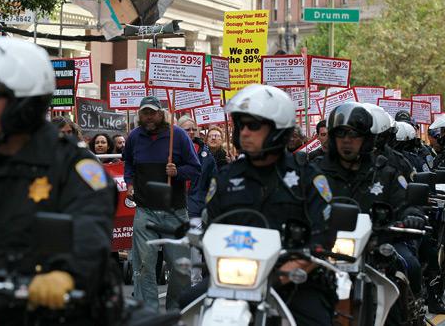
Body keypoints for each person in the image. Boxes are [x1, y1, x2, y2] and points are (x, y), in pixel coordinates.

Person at [0, 37, 116, 325]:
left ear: (24, 103)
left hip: (55, 317)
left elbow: (89, 231)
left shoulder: (74, 169)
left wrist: (65, 274)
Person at [205, 84, 336, 325]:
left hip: (291, 280)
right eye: (240, 125)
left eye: (253, 125)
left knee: (316, 318)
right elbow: (208, 228)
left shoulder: (308, 177)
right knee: (185, 306)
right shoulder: (224, 178)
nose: (244, 132)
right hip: (233, 280)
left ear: (277, 129)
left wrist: (292, 268)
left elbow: (324, 235)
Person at [317, 102, 428, 321]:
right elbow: (298, 205)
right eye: (341, 134)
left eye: (354, 135)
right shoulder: (316, 172)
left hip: (377, 248)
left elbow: (405, 202)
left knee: (403, 270)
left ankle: (410, 314)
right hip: (326, 251)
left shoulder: (384, 172)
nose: (347, 140)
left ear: (366, 139)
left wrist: (411, 216)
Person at [123, 95, 200, 311]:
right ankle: (148, 312)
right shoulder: (134, 137)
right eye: (144, 113)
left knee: (179, 267)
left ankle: (175, 310)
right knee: (144, 265)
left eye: (152, 112)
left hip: (174, 211)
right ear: (139, 115)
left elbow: (195, 169)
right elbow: (128, 163)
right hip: (145, 210)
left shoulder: (180, 136)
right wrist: (129, 182)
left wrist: (178, 172)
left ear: (161, 113)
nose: (148, 117)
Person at [177, 116, 217, 285]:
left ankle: (195, 282)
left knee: (194, 247)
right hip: (176, 205)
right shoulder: (172, 149)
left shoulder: (205, 154)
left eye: (194, 129)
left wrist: (209, 203)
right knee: (178, 248)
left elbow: (213, 181)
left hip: (197, 207)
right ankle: (179, 283)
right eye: (187, 129)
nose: (191, 132)